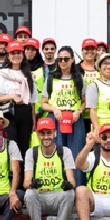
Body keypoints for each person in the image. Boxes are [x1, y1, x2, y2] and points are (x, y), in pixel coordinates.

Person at [23, 118, 76, 220]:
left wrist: (68, 184)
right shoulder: (32, 153)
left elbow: (72, 181)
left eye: (49, 133)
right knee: (29, 193)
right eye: (43, 133)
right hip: (40, 197)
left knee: (70, 193)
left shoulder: (64, 151)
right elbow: (25, 183)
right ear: (38, 135)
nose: (46, 137)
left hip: (57, 197)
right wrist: (32, 184)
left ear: (55, 133)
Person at [40, 46, 86, 185]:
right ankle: (58, 185)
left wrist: (79, 111)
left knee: (76, 152)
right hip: (56, 118)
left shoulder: (79, 78)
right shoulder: (51, 78)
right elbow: (43, 103)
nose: (63, 62)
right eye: (60, 59)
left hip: (74, 119)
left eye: (66, 58)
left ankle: (77, 188)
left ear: (72, 59)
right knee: (57, 151)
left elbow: (84, 102)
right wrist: (54, 109)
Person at [0, 42, 37, 164]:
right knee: (11, 147)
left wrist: (33, 120)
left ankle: (23, 180)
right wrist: (12, 96)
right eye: (13, 53)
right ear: (8, 55)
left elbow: (32, 101)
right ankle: (13, 179)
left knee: (24, 148)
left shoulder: (28, 74)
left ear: (23, 55)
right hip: (9, 113)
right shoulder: (2, 73)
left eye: (19, 53)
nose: (16, 56)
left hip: (26, 113)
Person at [76, 39, 100, 133]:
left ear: (96, 51)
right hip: (80, 115)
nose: (89, 51)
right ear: (82, 51)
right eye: (86, 49)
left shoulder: (102, 68)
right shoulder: (76, 69)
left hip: (98, 114)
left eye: (92, 49)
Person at [24, 38, 46, 120]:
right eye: (27, 49)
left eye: (33, 49)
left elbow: (49, 90)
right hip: (24, 110)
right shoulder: (19, 66)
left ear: (37, 52)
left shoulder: (43, 67)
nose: (30, 52)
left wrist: (40, 110)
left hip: (41, 111)